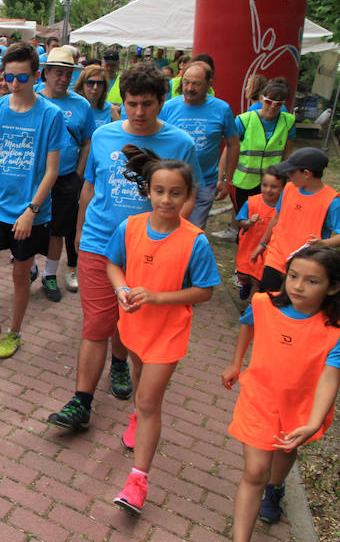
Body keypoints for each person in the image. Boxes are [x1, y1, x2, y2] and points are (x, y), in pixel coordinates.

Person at [47, 61, 201, 432]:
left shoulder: (180, 143)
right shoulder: (104, 136)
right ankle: (81, 400)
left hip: (152, 251)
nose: (139, 112)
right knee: (97, 323)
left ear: (163, 101)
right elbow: (89, 187)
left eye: (147, 104)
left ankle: (120, 363)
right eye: (132, 103)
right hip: (101, 242)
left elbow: (190, 195)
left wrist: (171, 234)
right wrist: (80, 232)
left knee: (134, 321)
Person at [107, 147, 219, 514]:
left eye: (175, 192)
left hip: (168, 334)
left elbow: (204, 290)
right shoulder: (130, 227)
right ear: (148, 191)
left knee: (150, 400)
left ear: (188, 196)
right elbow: (113, 265)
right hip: (133, 325)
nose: (166, 199)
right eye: (159, 190)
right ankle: (137, 418)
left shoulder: (195, 240)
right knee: (138, 377)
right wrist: (122, 288)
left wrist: (157, 296)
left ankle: (137, 481)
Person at [222, 245, 340, 540]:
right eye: (294, 276)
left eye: (312, 281)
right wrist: (237, 363)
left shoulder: (334, 331)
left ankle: (276, 488)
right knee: (254, 472)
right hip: (258, 399)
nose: (298, 286)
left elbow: (329, 378)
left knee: (286, 451)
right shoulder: (264, 303)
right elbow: (248, 325)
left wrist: (313, 421)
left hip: (299, 407)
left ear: (333, 287)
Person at [0, 43, 66, 359]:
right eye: (9, 77)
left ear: (37, 76)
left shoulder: (50, 115)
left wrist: (31, 210)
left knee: (21, 275)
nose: (13, 84)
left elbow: (52, 171)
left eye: (21, 78)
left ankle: (15, 333)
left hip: (30, 211)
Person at [37, 47, 96, 299]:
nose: (62, 78)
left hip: (67, 177)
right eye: (58, 73)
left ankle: (50, 275)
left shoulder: (81, 105)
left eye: (67, 73)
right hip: (35, 178)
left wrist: (79, 174)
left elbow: (87, 141)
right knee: (27, 223)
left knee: (58, 229)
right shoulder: (34, 100)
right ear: (46, 73)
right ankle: (27, 265)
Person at [212, 77, 296, 241]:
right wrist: (221, 178)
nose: (272, 107)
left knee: (266, 221)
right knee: (246, 221)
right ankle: (243, 255)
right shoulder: (244, 120)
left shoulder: (288, 121)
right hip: (243, 182)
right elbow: (228, 151)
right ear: (261, 98)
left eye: (278, 104)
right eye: (269, 101)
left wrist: (287, 179)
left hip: (271, 182)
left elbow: (288, 153)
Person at [160, 61, 239, 230]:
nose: (189, 88)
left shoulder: (222, 109)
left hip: (204, 183)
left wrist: (227, 180)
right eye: (186, 82)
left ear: (210, 83)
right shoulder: (168, 108)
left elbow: (233, 144)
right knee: (166, 229)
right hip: (171, 182)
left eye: (196, 84)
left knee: (192, 231)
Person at [252, 148, 340, 292]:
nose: (288, 175)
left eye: (292, 172)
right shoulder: (288, 188)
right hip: (276, 256)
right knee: (266, 297)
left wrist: (323, 243)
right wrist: (262, 243)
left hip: (305, 265)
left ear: (306, 174)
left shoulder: (332, 202)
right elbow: (276, 218)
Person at [235, 166, 285, 300]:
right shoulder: (252, 202)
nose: (268, 190)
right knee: (243, 275)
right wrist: (249, 222)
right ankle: (245, 284)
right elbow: (240, 221)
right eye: (265, 185)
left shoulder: (284, 207)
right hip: (249, 245)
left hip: (267, 249)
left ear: (283, 188)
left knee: (258, 280)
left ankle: (252, 309)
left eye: (274, 187)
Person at [75, 64, 119, 130]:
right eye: (90, 83)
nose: (95, 87)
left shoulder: (110, 109)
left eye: (100, 83)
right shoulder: (74, 107)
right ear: (82, 85)